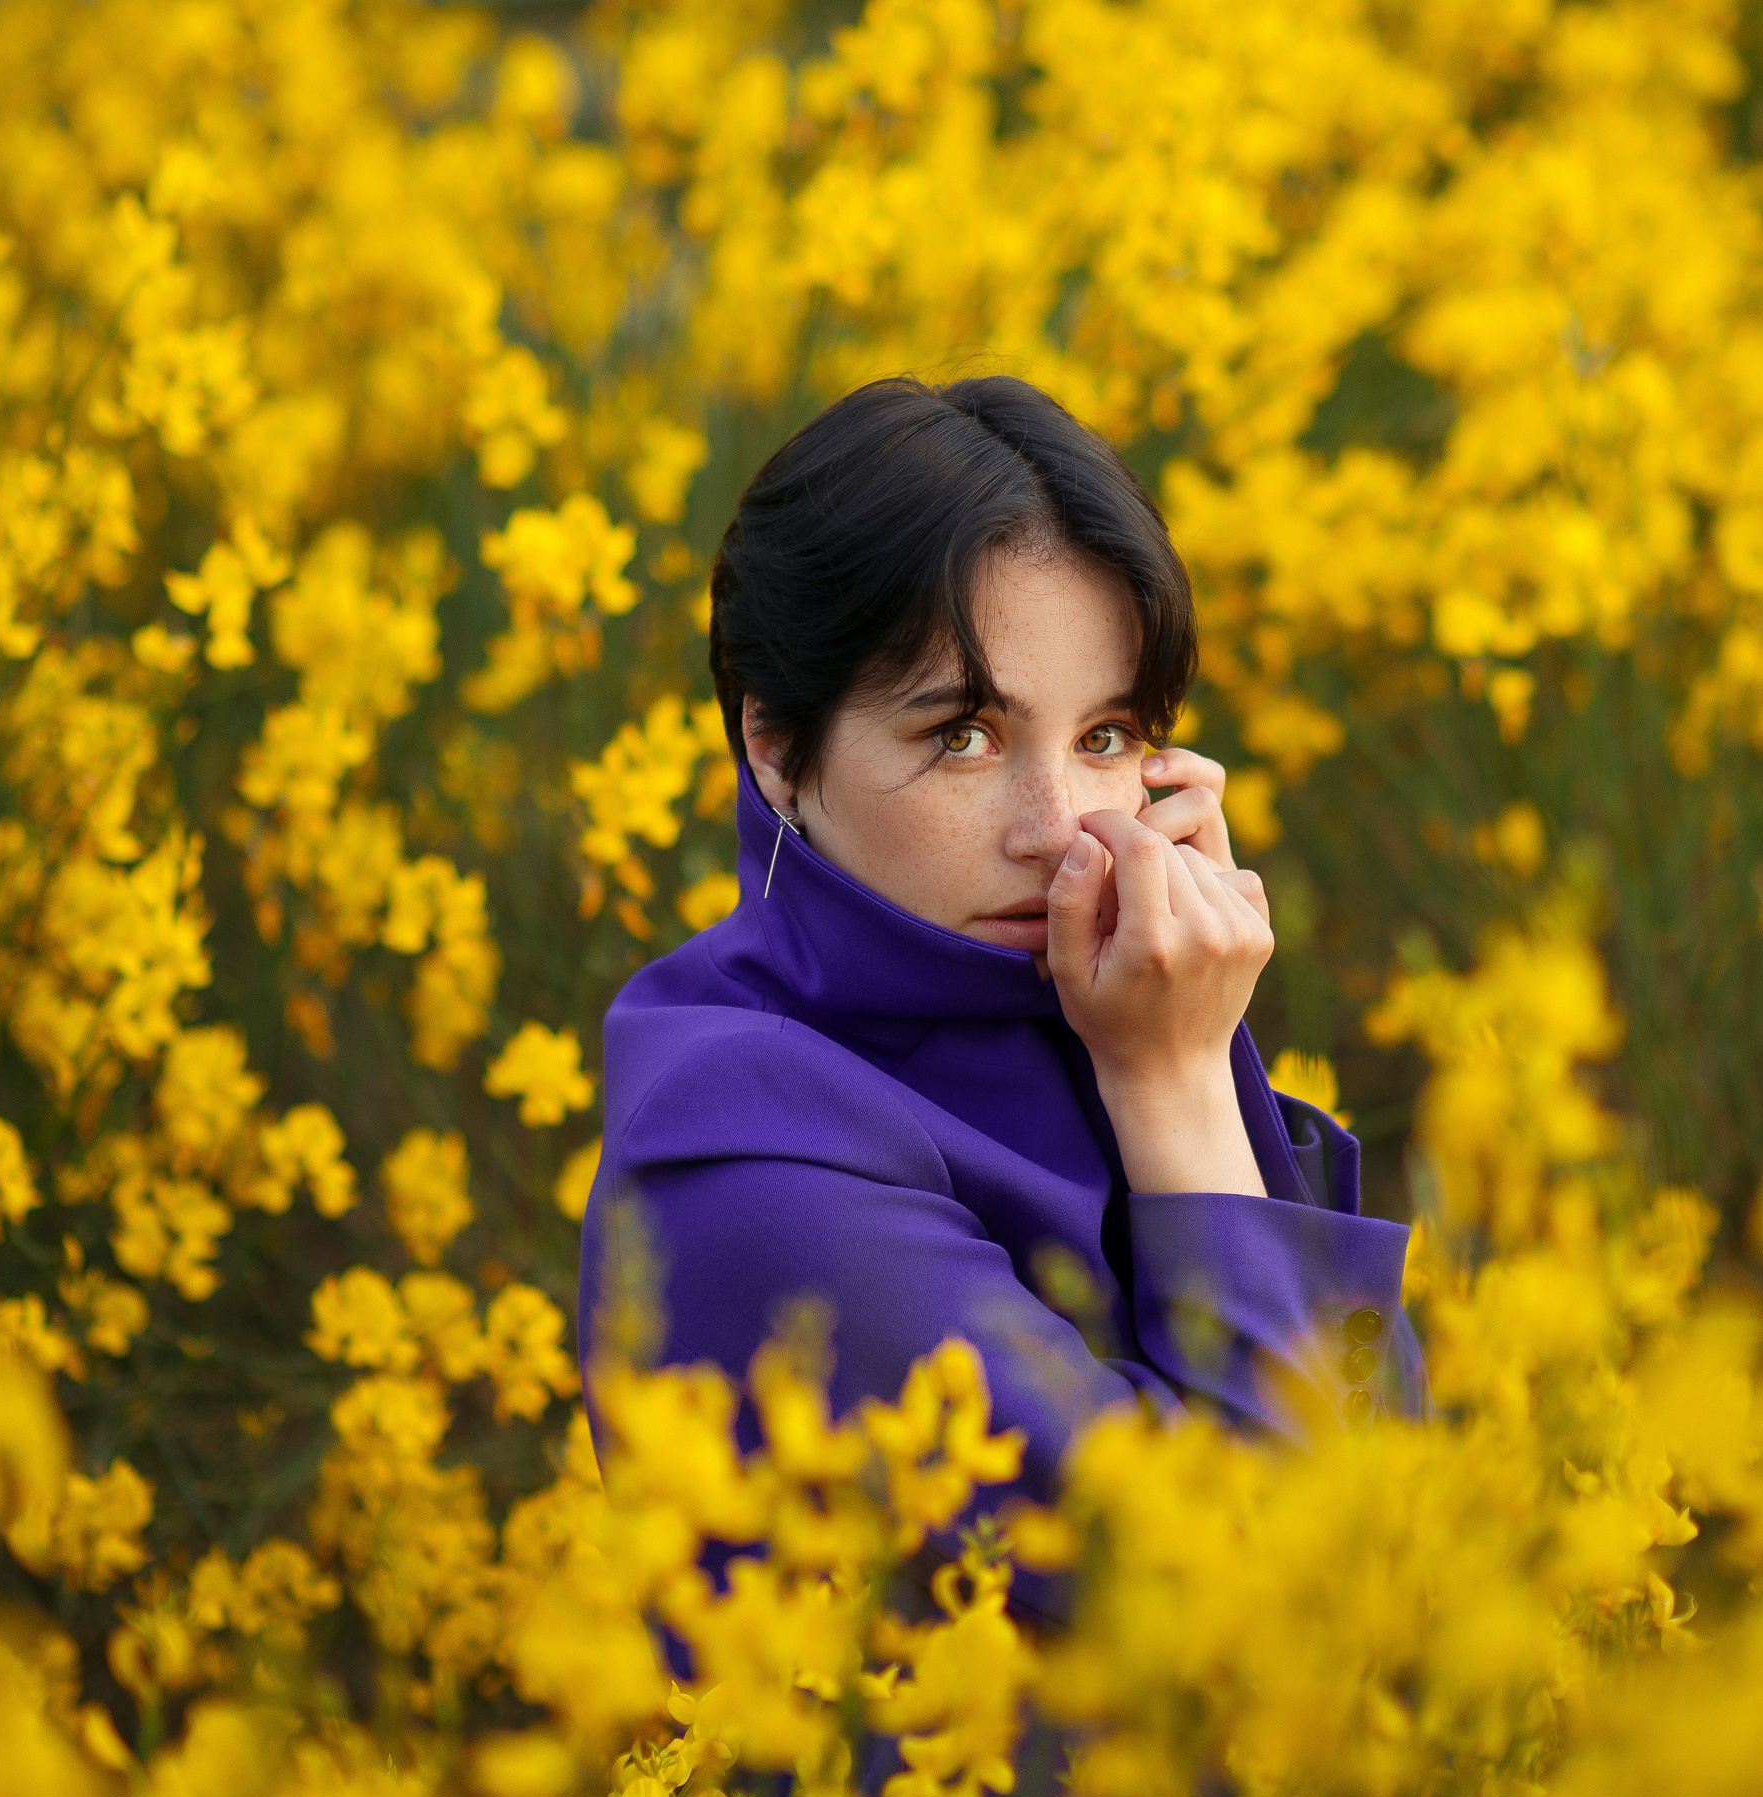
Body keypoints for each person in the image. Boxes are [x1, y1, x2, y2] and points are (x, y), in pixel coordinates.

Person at [577, 374, 1425, 1561]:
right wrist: (1180, 1088)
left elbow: (1403, 1500)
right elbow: (1266, 1590)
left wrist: (1191, 1064)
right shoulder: (745, 1162)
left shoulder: (1111, 1018)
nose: (1060, 827)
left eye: (1105, 737)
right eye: (963, 736)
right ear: (774, 750)